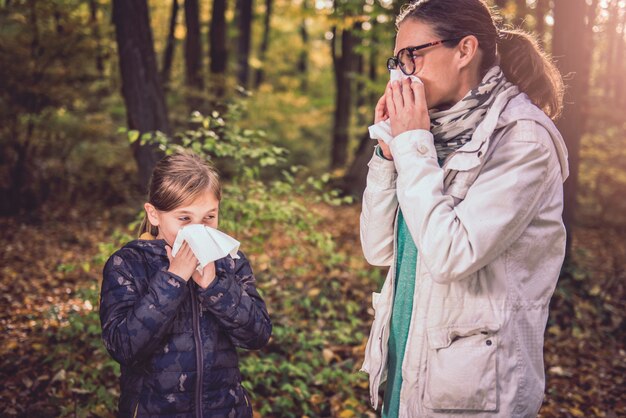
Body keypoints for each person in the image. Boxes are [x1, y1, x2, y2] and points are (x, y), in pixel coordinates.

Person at [359, 1, 569, 417]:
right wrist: (388, 155)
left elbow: (451, 256)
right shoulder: (427, 133)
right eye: (397, 60)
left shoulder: (523, 140)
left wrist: (412, 146)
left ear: (464, 50)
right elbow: (378, 249)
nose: (401, 73)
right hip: (404, 366)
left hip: (469, 393)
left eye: (412, 56)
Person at [100, 152, 272, 417]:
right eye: (184, 219)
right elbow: (123, 347)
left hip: (225, 409)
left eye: (208, 218)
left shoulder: (229, 261)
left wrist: (215, 285)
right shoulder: (128, 264)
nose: (198, 229)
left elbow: (257, 335)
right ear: (154, 215)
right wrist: (174, 279)